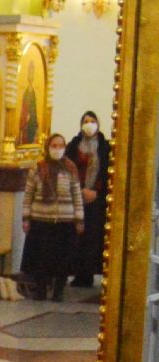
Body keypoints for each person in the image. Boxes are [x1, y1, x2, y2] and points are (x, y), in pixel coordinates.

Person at [21, 133, 85, 302]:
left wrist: (79, 219)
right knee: (41, 258)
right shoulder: (38, 168)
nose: (57, 149)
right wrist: (26, 218)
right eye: (54, 146)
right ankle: (40, 290)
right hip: (41, 220)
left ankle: (59, 290)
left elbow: (77, 195)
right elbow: (28, 195)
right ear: (48, 147)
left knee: (62, 258)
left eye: (61, 146)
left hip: (64, 221)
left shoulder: (70, 168)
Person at [69, 111, 111, 287]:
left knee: (93, 237)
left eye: (92, 121)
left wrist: (96, 193)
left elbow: (109, 172)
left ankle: (89, 272)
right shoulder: (74, 145)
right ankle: (78, 273)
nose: (89, 124)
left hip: (97, 199)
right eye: (86, 121)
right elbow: (69, 170)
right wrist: (79, 191)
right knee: (76, 236)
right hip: (76, 197)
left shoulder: (105, 147)